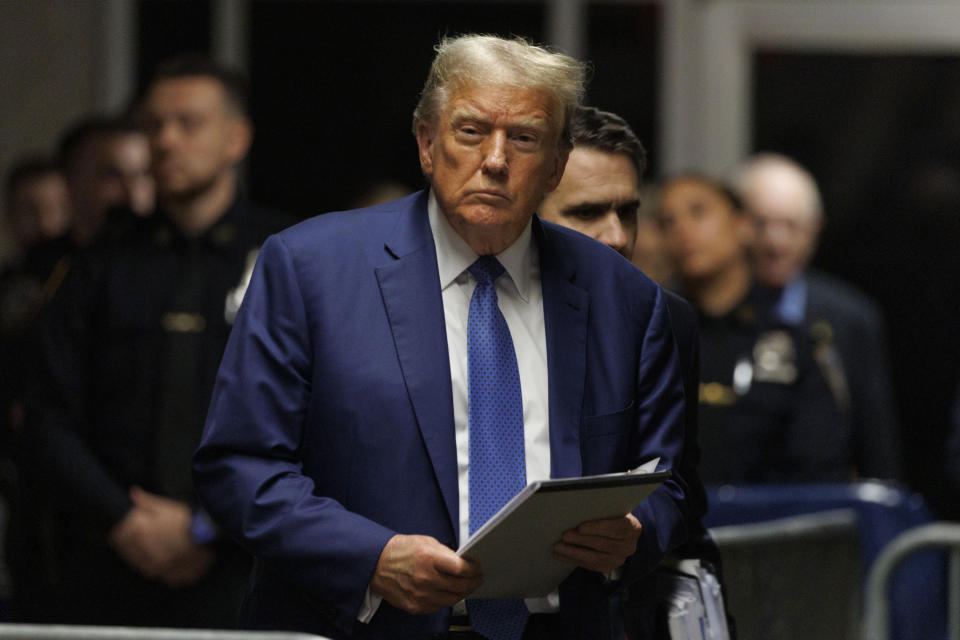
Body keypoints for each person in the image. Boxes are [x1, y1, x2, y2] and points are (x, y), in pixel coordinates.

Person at [193, 35, 689, 640]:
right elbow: (239, 465)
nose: (497, 159)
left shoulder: (624, 299)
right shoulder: (310, 270)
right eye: (472, 132)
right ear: (428, 144)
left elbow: (669, 480)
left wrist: (635, 534)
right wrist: (371, 557)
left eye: (526, 138)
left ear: (557, 164)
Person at [23, 54, 289, 626]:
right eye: (153, 125)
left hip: (250, 565)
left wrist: (204, 527)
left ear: (236, 138)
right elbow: (47, 413)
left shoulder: (289, 257)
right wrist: (122, 519)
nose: (165, 141)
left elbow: (317, 414)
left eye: (187, 123)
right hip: (111, 558)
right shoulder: (99, 266)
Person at [655, 172, 848, 484]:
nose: (682, 229)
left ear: (742, 225)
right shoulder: (654, 339)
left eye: (698, 211)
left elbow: (821, 467)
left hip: (766, 526)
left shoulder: (792, 344)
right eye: (667, 221)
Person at [735, 153, 901, 480]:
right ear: (738, 224)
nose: (775, 241)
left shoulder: (853, 318)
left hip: (823, 509)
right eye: (761, 223)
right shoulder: (711, 313)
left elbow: (877, 443)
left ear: (816, 229)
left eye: (791, 226)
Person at [58, 116, 155, 248]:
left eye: (143, 175)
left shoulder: (175, 260)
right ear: (71, 181)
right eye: (112, 176)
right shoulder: (44, 264)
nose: (132, 192)